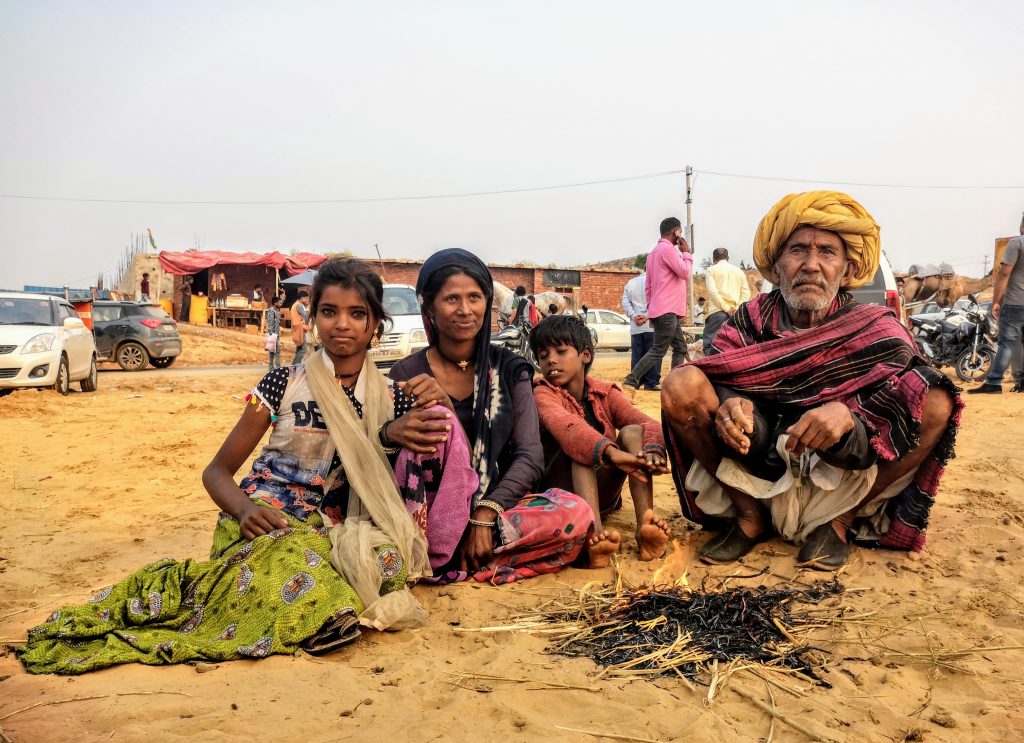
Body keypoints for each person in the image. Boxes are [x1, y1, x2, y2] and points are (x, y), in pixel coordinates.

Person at [18, 258, 477, 674]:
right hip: (266, 522)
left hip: (335, 529)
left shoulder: (393, 396)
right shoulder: (283, 382)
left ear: (376, 324)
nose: (343, 325)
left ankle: (313, 610)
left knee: (388, 562)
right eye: (329, 311)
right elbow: (216, 472)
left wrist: (419, 419)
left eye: (358, 314)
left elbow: (413, 465)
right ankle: (309, 614)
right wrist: (243, 510)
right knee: (297, 560)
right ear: (312, 318)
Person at [661, 191, 962, 571]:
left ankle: (838, 525)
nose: (811, 265)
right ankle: (748, 516)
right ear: (777, 266)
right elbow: (718, 374)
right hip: (756, 469)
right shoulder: (748, 320)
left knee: (936, 399)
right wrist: (729, 402)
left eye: (827, 253)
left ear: (848, 270)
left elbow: (904, 393)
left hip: (841, 482)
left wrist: (849, 414)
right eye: (798, 250)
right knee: (680, 385)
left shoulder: (875, 327)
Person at [388, 248, 595, 584]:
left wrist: (485, 514)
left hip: (498, 508)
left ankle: (468, 551)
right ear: (428, 304)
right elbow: (397, 459)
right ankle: (451, 551)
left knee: (575, 513)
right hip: (426, 515)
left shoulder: (510, 369)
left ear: (487, 302)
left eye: (475, 297)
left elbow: (529, 456)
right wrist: (436, 417)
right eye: (451, 299)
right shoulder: (407, 373)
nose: (465, 310)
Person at [530, 315, 672, 565]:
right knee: (581, 448)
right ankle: (591, 537)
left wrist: (652, 452)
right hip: (558, 499)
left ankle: (644, 527)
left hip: (603, 494)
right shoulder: (542, 393)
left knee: (631, 433)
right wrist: (611, 452)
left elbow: (648, 424)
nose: (551, 359)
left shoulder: (604, 393)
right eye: (543, 355)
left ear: (585, 355)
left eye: (561, 351)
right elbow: (567, 427)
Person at [623, 218, 693, 390]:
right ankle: (631, 380)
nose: (681, 236)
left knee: (680, 347)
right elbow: (685, 272)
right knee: (659, 349)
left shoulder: (653, 253)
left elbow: (649, 287)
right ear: (675, 231)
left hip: (664, 309)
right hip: (668, 310)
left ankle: (676, 384)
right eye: (680, 232)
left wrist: (653, 309)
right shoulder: (668, 250)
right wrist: (687, 253)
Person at [969, 213, 1024, 394]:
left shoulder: (1017, 243)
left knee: (1007, 344)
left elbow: (1004, 274)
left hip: (1015, 303)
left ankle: (993, 382)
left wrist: (996, 301)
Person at [703, 248, 752, 355]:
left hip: (717, 313)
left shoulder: (711, 270)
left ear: (714, 259)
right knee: (732, 348)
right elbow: (746, 293)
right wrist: (736, 309)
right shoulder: (739, 272)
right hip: (736, 316)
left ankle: (712, 370)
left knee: (710, 346)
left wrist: (726, 308)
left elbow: (713, 292)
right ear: (728, 258)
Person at [621, 271, 661, 390]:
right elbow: (658, 302)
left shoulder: (630, 283)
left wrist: (634, 316)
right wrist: (647, 316)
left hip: (636, 326)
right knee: (653, 354)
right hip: (651, 324)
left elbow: (625, 303)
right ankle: (651, 382)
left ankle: (636, 382)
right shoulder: (655, 282)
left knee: (637, 354)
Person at [291, 290, 311, 365]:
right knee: (303, 349)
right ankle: (294, 366)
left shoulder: (294, 305)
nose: (307, 300)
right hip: (301, 329)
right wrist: (309, 310)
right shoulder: (299, 305)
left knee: (299, 349)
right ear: (302, 298)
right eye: (306, 298)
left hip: (297, 329)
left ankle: (294, 367)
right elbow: (306, 317)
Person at [266, 295, 284, 370]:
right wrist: (271, 335)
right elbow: (270, 322)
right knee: (276, 351)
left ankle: (271, 367)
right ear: (275, 303)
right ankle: (277, 367)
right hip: (273, 334)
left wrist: (283, 294)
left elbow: (282, 300)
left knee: (272, 350)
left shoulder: (276, 310)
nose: (281, 304)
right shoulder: (271, 310)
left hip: (276, 333)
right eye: (279, 303)